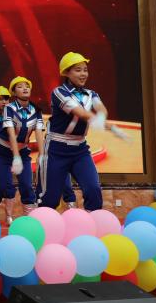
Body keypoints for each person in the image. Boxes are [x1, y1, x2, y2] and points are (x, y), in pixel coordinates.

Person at [37, 52, 108, 211]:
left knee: (93, 190)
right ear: (67, 72)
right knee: (49, 198)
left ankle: (92, 223)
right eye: (78, 70)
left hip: (80, 150)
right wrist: (96, 120)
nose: (83, 74)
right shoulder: (59, 92)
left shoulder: (92, 94)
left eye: (85, 70)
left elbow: (101, 108)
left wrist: (102, 117)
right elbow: (79, 112)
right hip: (56, 149)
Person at [0, 76, 44, 224]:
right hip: (4, 152)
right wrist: (15, 156)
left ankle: (29, 222)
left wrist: (43, 156)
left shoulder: (36, 110)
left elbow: (38, 133)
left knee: (27, 187)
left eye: (27, 86)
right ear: (13, 92)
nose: (25, 88)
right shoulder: (9, 109)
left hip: (23, 153)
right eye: (20, 86)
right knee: (0, 187)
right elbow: (11, 132)